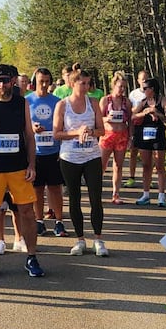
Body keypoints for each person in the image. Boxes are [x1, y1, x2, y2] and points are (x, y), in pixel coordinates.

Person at [0, 64, 44, 279]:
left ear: (13, 81)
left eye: (5, 80)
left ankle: (31, 257)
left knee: (27, 212)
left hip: (18, 167)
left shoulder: (22, 103)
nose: (2, 84)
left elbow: (30, 137)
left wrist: (32, 165)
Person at [54, 68, 109, 257]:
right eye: (82, 83)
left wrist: (92, 132)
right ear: (72, 84)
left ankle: (98, 239)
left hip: (92, 156)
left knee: (96, 198)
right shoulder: (62, 105)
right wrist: (77, 133)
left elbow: (102, 130)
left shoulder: (93, 103)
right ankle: (80, 240)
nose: (87, 87)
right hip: (70, 158)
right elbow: (57, 133)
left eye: (88, 83)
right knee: (74, 198)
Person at [26, 67, 66, 237]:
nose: (43, 85)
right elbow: (21, 124)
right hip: (35, 153)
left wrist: (62, 149)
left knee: (55, 188)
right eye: (40, 81)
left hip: (54, 150)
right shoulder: (26, 101)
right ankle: (39, 221)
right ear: (34, 82)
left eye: (47, 82)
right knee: (37, 189)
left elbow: (64, 125)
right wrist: (32, 127)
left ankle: (59, 222)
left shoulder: (57, 101)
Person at [132, 78, 166, 207]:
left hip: (158, 135)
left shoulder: (163, 100)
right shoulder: (143, 102)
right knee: (146, 165)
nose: (143, 91)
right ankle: (146, 194)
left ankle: (161, 196)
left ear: (152, 89)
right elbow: (132, 116)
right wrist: (144, 113)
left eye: (145, 89)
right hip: (145, 136)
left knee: (159, 165)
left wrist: (157, 113)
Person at [99, 71, 131, 204]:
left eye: (124, 87)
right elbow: (98, 119)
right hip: (107, 135)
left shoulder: (126, 102)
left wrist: (131, 137)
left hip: (122, 135)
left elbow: (130, 120)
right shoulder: (106, 100)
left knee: (118, 166)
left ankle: (115, 194)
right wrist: (107, 118)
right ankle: (96, 192)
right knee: (102, 165)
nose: (122, 89)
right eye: (120, 86)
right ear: (113, 86)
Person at [125, 70, 150, 187]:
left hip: (148, 125)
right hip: (135, 125)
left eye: (146, 79)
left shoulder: (151, 92)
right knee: (133, 152)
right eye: (142, 79)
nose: (144, 81)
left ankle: (148, 179)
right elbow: (129, 110)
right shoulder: (133, 94)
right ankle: (132, 177)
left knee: (149, 153)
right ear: (138, 80)